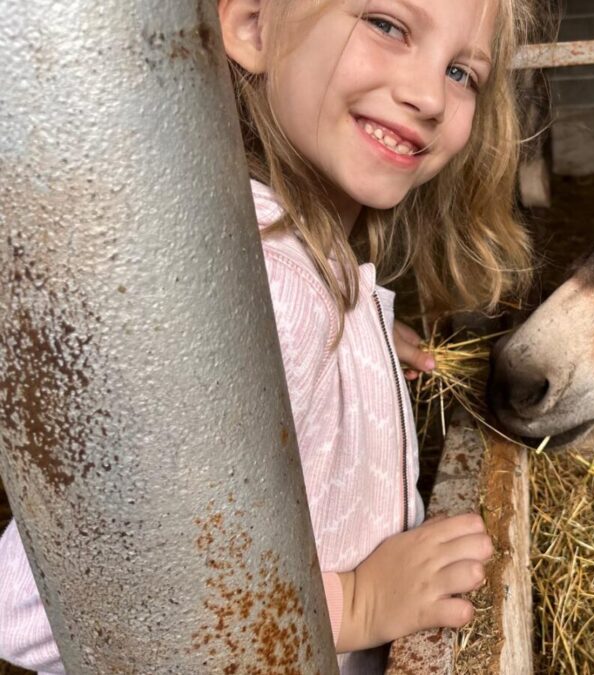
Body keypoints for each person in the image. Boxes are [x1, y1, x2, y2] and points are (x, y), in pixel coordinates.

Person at [0, 0, 536, 671]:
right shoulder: (271, 294)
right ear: (253, 24)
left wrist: (360, 342)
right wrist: (357, 602)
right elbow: (35, 612)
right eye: (387, 25)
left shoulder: (287, 270)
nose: (429, 95)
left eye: (462, 72)